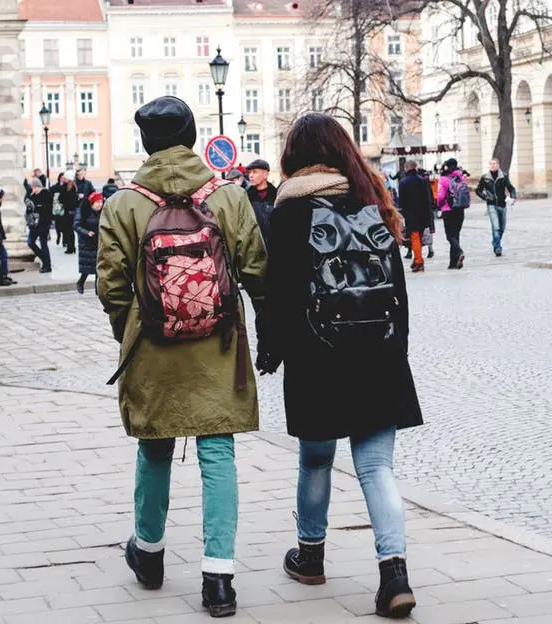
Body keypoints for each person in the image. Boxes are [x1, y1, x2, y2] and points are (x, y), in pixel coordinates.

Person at [96, 96, 267, 618]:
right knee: (218, 453)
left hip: (151, 346)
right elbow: (256, 269)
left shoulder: (123, 203)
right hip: (218, 346)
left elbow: (111, 285)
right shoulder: (229, 196)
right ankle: (219, 579)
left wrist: (129, 330)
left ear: (145, 142)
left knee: (154, 448)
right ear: (193, 136)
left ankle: (148, 554)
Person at [255, 113, 421, 620]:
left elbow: (277, 294)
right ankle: (394, 575)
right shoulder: (372, 202)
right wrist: (398, 352)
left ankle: (310, 556)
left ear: (294, 158)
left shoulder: (288, 212)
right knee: (376, 468)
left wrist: (272, 350)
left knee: (316, 458)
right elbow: (397, 290)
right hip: (378, 354)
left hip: (317, 358)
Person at [475, 158, 517, 257]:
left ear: (498, 165)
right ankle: (498, 247)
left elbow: (511, 188)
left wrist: (513, 197)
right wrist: (486, 197)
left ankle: (495, 242)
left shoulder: (504, 176)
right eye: (491, 164)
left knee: (502, 228)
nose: (493, 165)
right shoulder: (485, 178)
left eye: (494, 164)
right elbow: (478, 190)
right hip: (491, 205)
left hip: (502, 205)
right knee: (496, 227)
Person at [398, 160, 432, 272]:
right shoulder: (423, 181)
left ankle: (418, 261)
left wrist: (403, 214)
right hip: (423, 215)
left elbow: (401, 202)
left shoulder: (403, 182)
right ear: (416, 168)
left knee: (415, 238)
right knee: (418, 238)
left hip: (411, 215)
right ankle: (416, 259)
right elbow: (428, 199)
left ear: (406, 168)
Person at [436, 158, 467, 269]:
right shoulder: (461, 178)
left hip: (448, 210)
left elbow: (440, 196)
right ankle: (453, 263)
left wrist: (438, 205)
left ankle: (459, 252)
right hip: (460, 209)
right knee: (456, 235)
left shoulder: (443, 179)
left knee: (450, 236)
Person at [74, 191, 103, 294]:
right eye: (97, 202)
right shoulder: (83, 210)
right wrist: (87, 233)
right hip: (86, 242)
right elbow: (77, 225)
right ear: (92, 203)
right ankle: (80, 282)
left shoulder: (102, 212)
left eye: (101, 202)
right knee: (87, 267)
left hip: (98, 241)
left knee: (98, 267)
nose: (100, 204)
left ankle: (97, 289)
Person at [25, 178, 52, 273]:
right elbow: (28, 207)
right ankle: (44, 259)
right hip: (34, 225)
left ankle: (47, 265)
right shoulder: (32, 195)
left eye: (34, 187)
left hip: (44, 224)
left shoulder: (46, 194)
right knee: (30, 242)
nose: (33, 189)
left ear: (37, 186)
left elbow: (47, 209)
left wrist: (37, 207)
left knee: (43, 244)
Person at [246, 159, 277, 244]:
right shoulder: (246, 197)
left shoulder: (277, 196)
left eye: (254, 172)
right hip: (255, 247)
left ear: (265, 174)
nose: (250, 176)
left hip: (274, 247)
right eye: (250, 172)